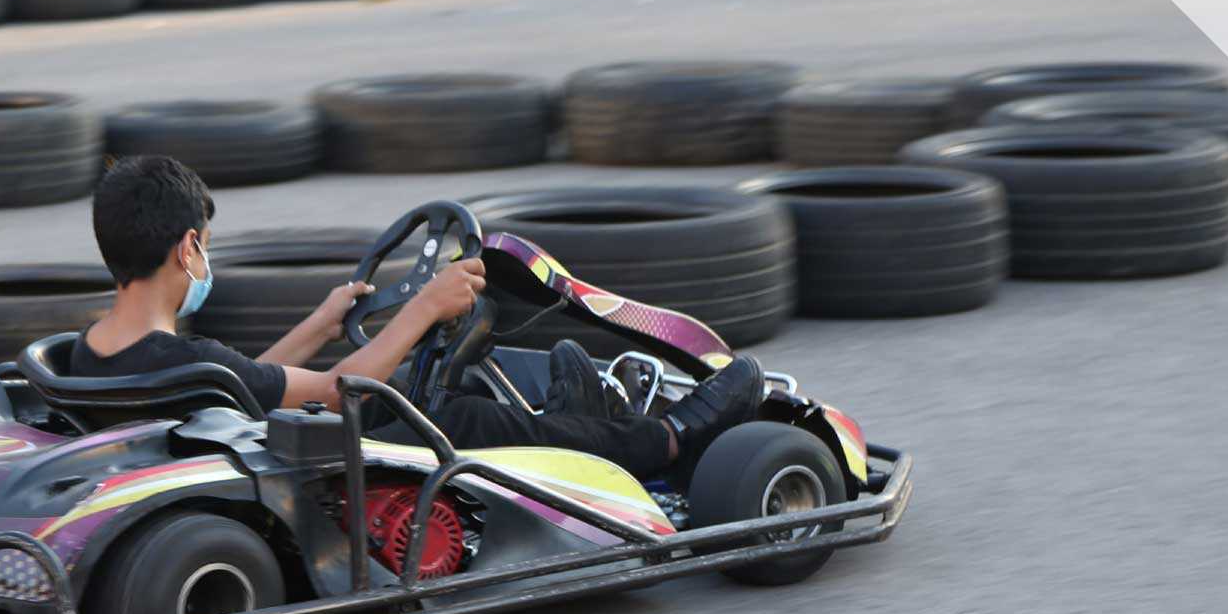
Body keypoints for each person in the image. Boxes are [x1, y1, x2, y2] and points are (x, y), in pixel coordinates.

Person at [70, 157, 765, 489]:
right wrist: (424, 307)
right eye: (207, 248)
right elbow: (338, 393)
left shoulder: (94, 351)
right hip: (307, 475)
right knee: (461, 415)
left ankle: (578, 420)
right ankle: (663, 441)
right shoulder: (180, 361)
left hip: (243, 447)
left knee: (415, 379)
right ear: (188, 248)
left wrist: (321, 323)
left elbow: (243, 385)